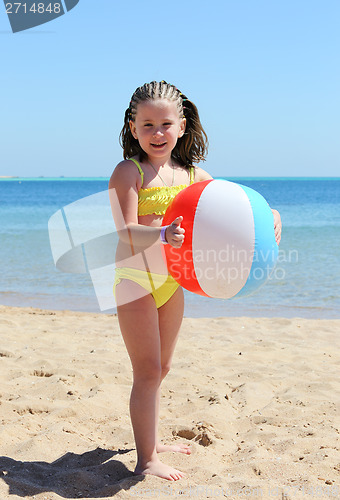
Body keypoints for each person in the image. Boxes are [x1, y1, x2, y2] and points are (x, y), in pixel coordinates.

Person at [109, 81, 282, 482]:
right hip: (135, 279)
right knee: (147, 370)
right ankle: (146, 459)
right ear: (133, 127)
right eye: (147, 124)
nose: (157, 133)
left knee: (163, 366)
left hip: (173, 281)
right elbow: (124, 231)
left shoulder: (193, 175)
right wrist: (163, 234)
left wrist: (272, 214)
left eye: (165, 124)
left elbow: (232, 208)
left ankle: (151, 440)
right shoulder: (127, 171)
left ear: (182, 126)